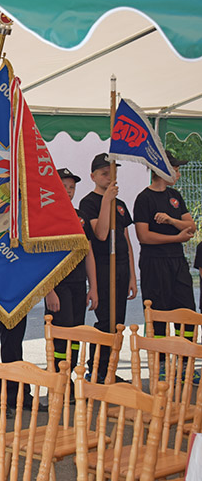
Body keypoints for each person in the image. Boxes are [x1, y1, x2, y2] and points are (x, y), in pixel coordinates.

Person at [78, 153, 137, 383]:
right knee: (105, 321)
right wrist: (106, 202)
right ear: (93, 176)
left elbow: (127, 241)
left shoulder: (120, 205)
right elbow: (101, 234)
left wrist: (133, 276)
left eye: (112, 173)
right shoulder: (89, 202)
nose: (109, 177)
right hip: (104, 267)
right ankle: (97, 370)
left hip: (122, 266)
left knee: (118, 322)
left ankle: (110, 369)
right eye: (104, 173)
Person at [133, 151, 196, 340]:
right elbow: (144, 236)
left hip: (177, 260)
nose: (178, 175)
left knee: (186, 311)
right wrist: (177, 238)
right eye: (175, 170)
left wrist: (171, 221)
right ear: (160, 170)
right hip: (155, 263)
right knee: (157, 313)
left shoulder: (175, 196)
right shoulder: (144, 198)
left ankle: (186, 362)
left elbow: (191, 226)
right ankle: (159, 364)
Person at [44, 168, 98, 372]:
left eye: (72, 187)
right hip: (58, 286)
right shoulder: (46, 215)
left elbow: (89, 253)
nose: (68, 190)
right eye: (63, 186)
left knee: (75, 334)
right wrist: (48, 290)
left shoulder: (80, 216)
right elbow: (42, 256)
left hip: (78, 284)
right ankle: (58, 378)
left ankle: (69, 376)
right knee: (61, 334)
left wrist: (93, 288)